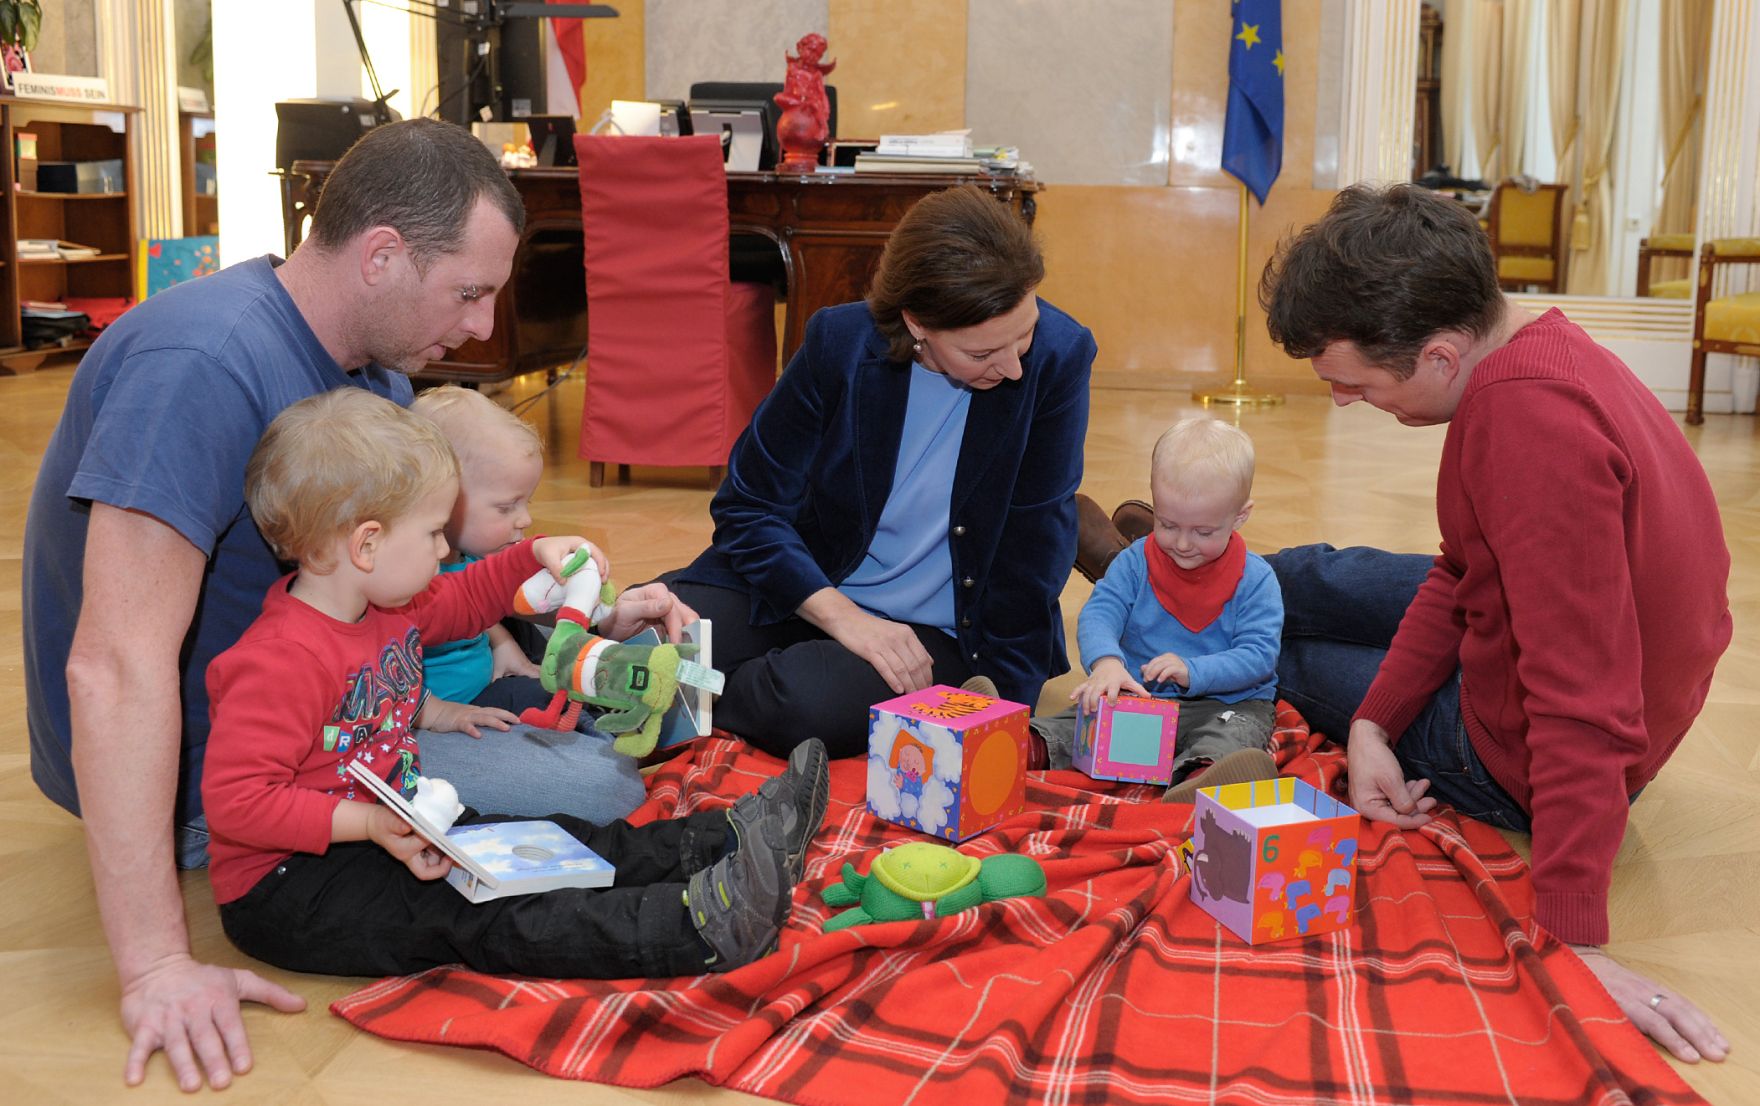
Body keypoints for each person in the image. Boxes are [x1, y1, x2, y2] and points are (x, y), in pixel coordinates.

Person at [20, 119, 686, 1092]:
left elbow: (421, 589)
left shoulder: (365, 368)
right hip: (236, 774)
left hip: (333, 713)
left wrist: (581, 609)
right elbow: (112, 665)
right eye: (468, 293)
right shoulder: (203, 363)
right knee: (600, 787)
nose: (475, 328)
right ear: (380, 254)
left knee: (634, 735)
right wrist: (158, 963)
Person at [1256, 183, 1732, 1064]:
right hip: (1518, 630)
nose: (1344, 403)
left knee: (1279, 653)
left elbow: (1583, 698)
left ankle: (1171, 583)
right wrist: (1371, 723)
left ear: (1439, 356)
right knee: (1301, 576)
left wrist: (1574, 939)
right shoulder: (1530, 349)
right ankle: (1170, 556)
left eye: (1351, 385)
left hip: (1523, 746)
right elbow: (1466, 569)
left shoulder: (1528, 427)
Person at [205, 390, 828, 983]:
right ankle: (695, 927)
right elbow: (239, 802)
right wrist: (368, 824)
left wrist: (540, 554)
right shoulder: (278, 660)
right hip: (292, 887)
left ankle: (729, 838)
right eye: (430, 534)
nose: (445, 548)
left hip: (393, 824)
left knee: (549, 843)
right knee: (493, 914)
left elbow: (472, 594)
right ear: (366, 544)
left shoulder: (386, 608)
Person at [667, 185, 1098, 759]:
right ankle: (697, 684)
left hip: (947, 632)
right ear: (916, 322)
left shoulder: (1058, 358)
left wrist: (1000, 708)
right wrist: (844, 619)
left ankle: (693, 695)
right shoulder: (839, 345)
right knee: (650, 636)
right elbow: (748, 507)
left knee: (798, 703)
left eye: (1024, 333)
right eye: (982, 354)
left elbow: (1033, 550)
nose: (1014, 367)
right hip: (814, 589)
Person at [1033, 418, 1283, 804]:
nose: (1182, 543)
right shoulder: (1135, 562)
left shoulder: (1256, 579)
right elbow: (1101, 613)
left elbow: (1259, 657)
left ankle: (1197, 785)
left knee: (1233, 739)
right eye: (1167, 524)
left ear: (1240, 516)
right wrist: (1107, 664)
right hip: (1139, 702)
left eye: (1203, 532)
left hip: (1228, 704)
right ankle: (1019, 746)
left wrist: (1193, 671)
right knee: (1076, 722)